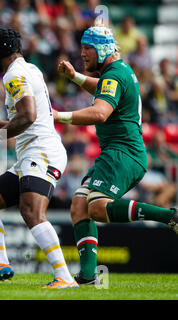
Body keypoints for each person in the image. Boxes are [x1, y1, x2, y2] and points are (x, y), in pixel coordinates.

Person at [54, 24, 178, 285]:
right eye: (82, 48)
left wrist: (58, 116)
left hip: (123, 153)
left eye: (88, 48)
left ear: (103, 50)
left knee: (97, 208)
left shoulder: (114, 75)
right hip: (118, 153)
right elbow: (102, 88)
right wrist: (76, 76)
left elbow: (100, 112)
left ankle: (170, 217)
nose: (83, 53)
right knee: (79, 207)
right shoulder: (116, 73)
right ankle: (88, 276)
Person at [0, 28, 77, 289]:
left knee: (32, 211)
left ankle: (64, 277)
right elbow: (29, 116)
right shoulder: (30, 69)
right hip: (33, 151)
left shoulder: (14, 75)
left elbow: (28, 117)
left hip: (41, 152)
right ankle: (0, 261)